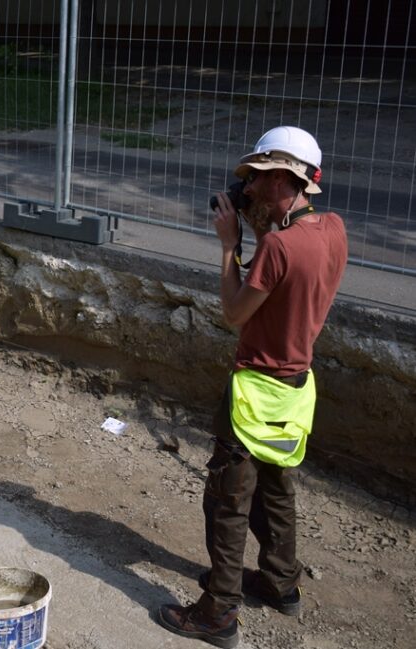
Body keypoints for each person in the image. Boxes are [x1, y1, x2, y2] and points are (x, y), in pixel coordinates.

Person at [157, 126, 348, 648]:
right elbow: (290, 270)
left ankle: (218, 613)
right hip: (296, 386)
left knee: (227, 498)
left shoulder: (277, 248)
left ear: (287, 178)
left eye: (261, 181)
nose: (252, 192)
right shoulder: (332, 230)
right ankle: (281, 582)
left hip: (255, 390)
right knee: (276, 487)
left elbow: (234, 313)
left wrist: (228, 248)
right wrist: (263, 231)